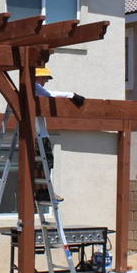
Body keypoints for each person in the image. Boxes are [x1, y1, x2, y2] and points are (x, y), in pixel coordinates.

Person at [32, 66, 86, 203]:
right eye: (45, 78)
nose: (46, 81)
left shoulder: (31, 89)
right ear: (40, 76)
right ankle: (44, 191)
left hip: (37, 132)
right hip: (38, 134)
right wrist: (71, 95)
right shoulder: (34, 87)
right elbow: (50, 95)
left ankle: (41, 191)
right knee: (45, 163)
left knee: (40, 164)